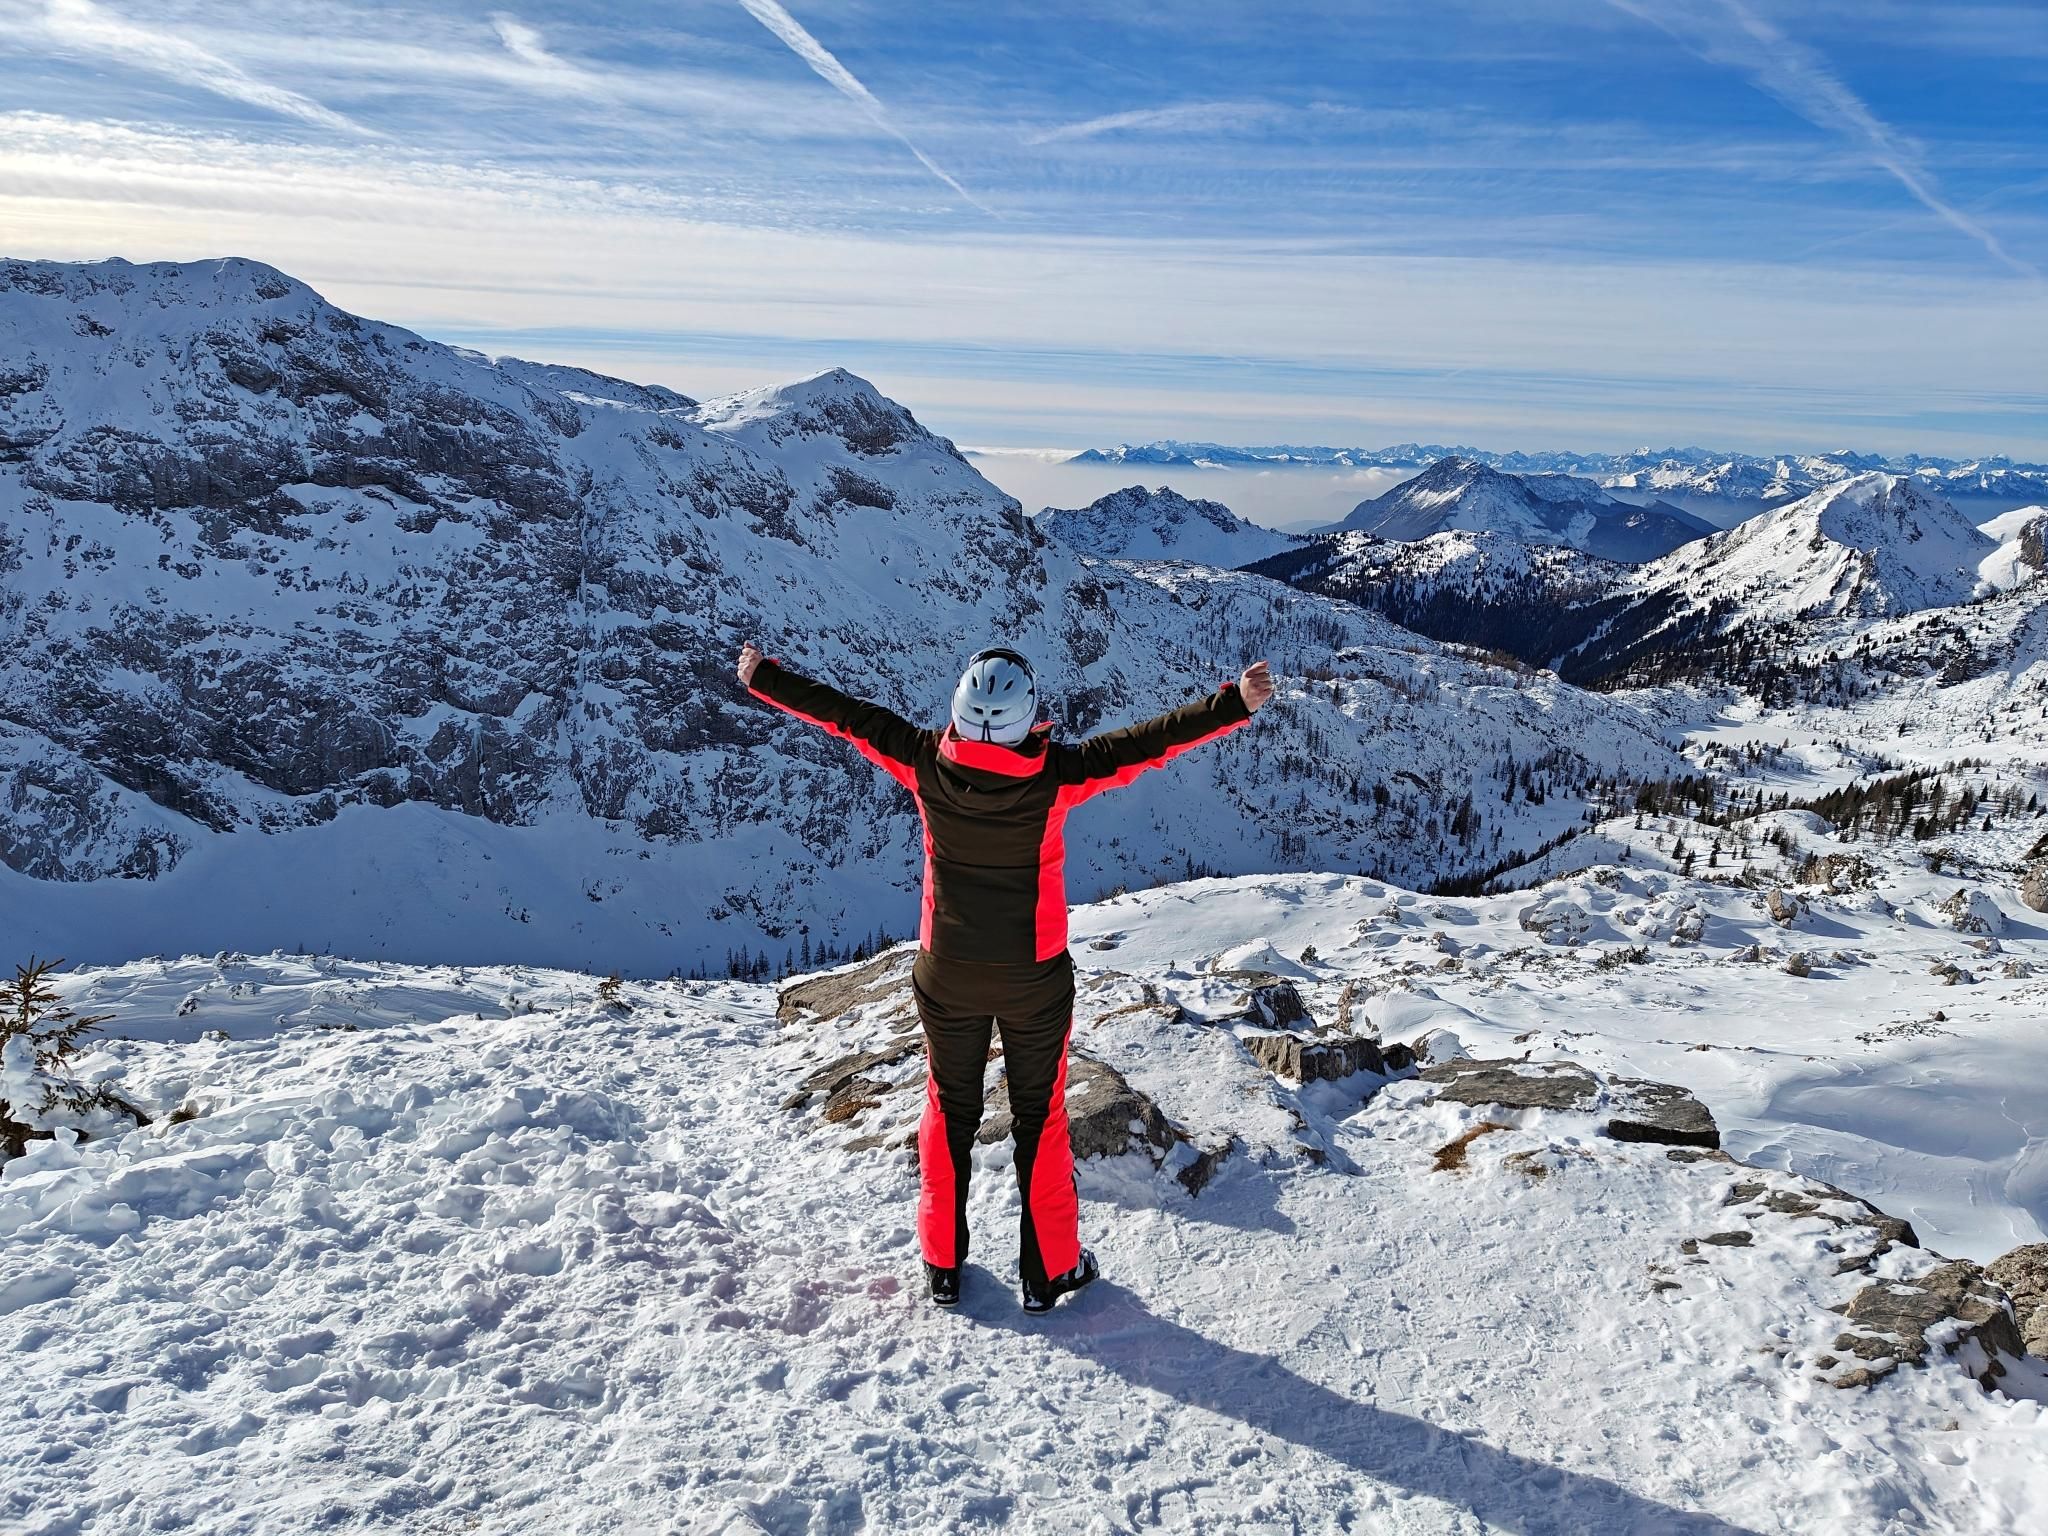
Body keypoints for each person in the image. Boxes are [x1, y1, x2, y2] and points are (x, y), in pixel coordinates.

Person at [738, 640, 1274, 1313]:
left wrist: (764, 678)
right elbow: (1146, 744)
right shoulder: (1057, 774)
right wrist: (1232, 705)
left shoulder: (922, 760)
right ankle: (1048, 1271)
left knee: (948, 1109)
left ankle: (942, 1264)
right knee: (1039, 1118)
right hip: (1032, 978)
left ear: (958, 710)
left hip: (948, 974)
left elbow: (845, 715)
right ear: (1028, 717)